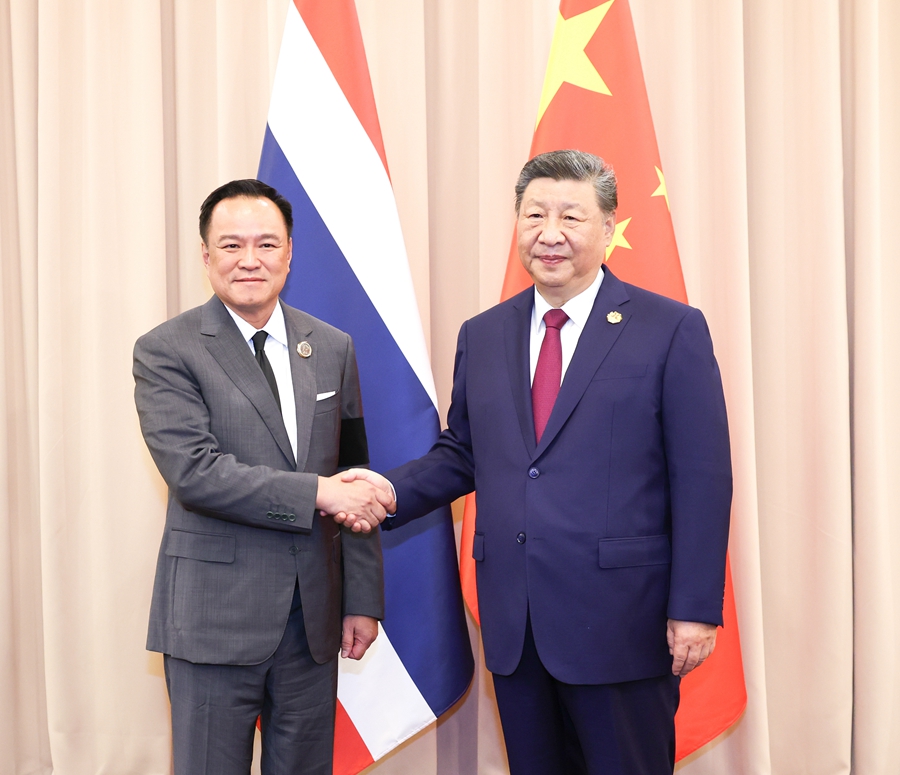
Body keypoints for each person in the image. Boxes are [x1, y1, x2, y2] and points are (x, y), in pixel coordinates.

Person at [341, 150, 732, 774]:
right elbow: (464, 451)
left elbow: (703, 478)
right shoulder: (483, 334)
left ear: (609, 227)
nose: (550, 233)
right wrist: (388, 491)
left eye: (571, 217)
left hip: (623, 622)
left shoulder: (669, 328)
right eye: (534, 215)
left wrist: (694, 607)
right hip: (517, 624)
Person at [133, 179, 392, 775]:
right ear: (206, 255)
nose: (250, 259)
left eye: (267, 244)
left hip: (312, 622)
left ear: (290, 253)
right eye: (231, 245)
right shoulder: (167, 350)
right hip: (213, 621)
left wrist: (362, 599)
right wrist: (318, 492)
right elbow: (195, 473)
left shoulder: (332, 347)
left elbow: (352, 472)